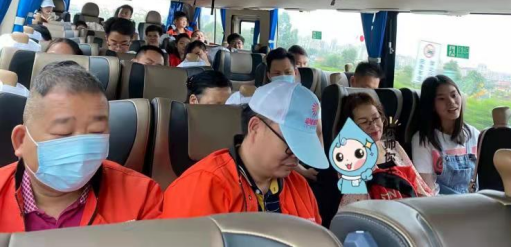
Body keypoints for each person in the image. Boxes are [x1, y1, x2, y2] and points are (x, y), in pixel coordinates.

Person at [0, 62, 163, 232]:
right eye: (63, 132)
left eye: (96, 131)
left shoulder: (143, 197)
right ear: (21, 140)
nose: (81, 148)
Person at [163, 81, 328, 222]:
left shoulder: (299, 187)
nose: (297, 156)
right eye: (290, 145)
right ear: (255, 127)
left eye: (302, 148)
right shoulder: (201, 188)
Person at [337, 93, 433, 207]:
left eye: (376, 118)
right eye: (364, 122)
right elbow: (356, 203)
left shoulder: (393, 146)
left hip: (409, 209)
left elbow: (419, 185)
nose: (373, 125)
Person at [411, 75, 480, 195]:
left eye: (454, 95)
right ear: (432, 105)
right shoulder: (423, 140)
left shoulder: (474, 134)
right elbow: (427, 190)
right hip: (443, 204)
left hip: (476, 200)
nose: (451, 102)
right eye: (442, 99)